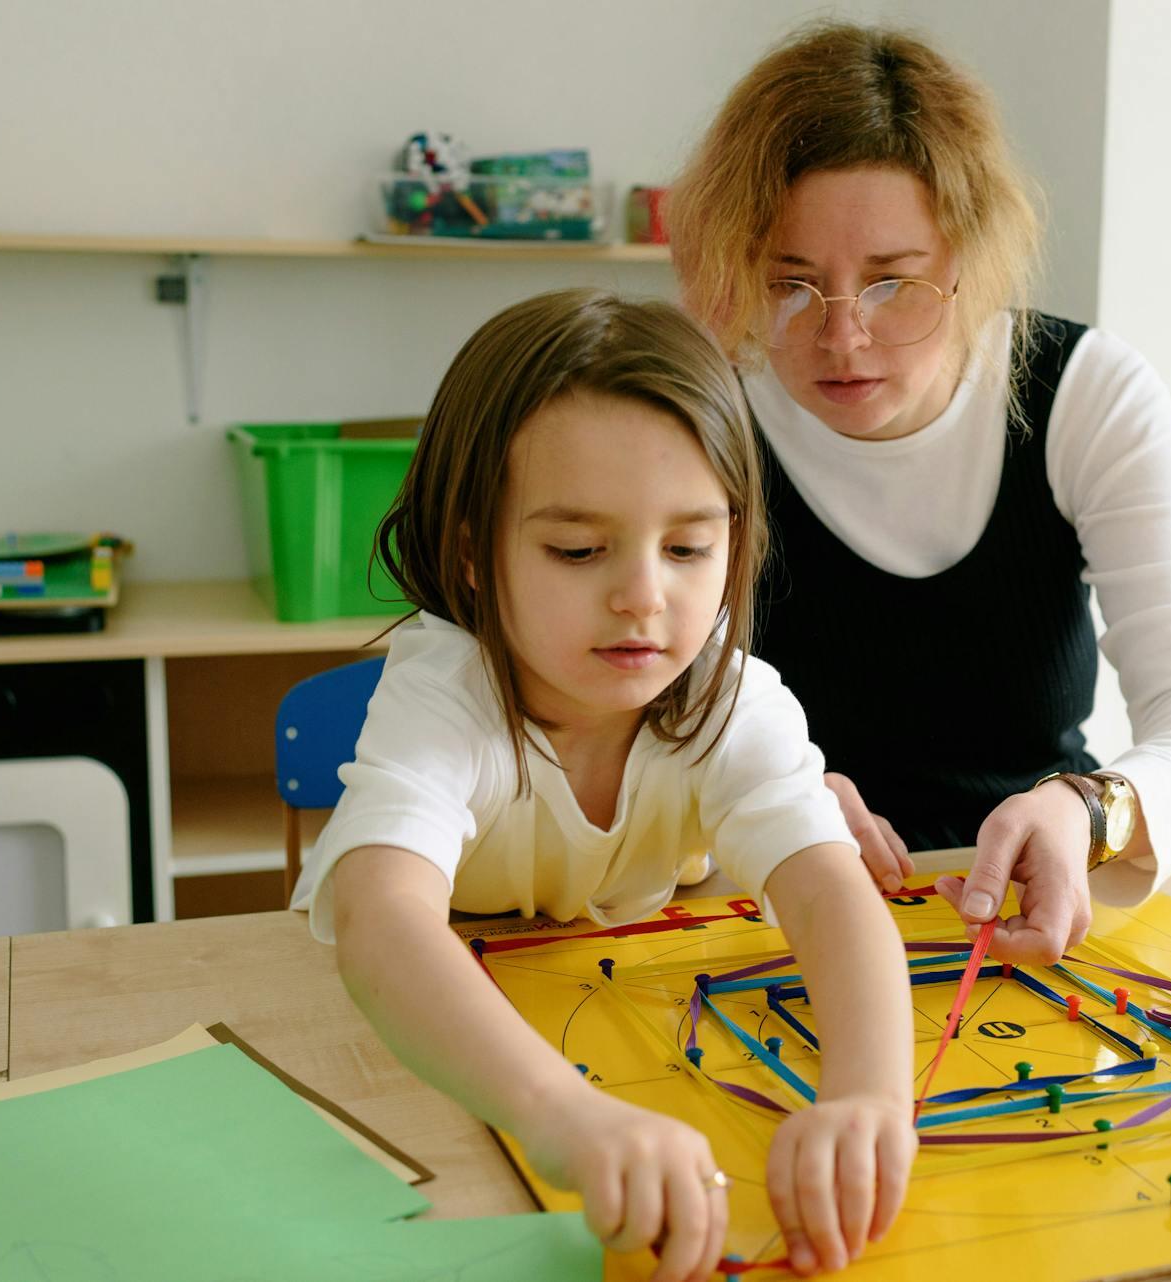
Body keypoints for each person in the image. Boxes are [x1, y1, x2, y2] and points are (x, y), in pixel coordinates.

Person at [290, 289, 914, 1281]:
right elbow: (380, 919)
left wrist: (872, 1099)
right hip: (447, 1059)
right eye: (578, 550)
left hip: (629, 1000)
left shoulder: (728, 695)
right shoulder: (449, 691)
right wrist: (562, 1114)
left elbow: (831, 893)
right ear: (470, 551)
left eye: (688, 548)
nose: (643, 596)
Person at [666, 21, 1171, 965]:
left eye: (891, 284)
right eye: (791, 284)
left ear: (970, 259)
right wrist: (735, 792)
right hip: (776, 913)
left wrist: (1093, 812)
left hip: (1040, 902)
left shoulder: (1085, 395)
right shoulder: (702, 418)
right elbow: (612, 723)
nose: (843, 339)